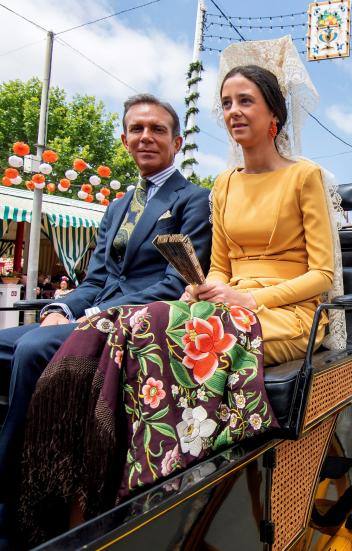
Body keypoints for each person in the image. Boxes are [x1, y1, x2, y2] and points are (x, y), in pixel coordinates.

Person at [18, 57, 342, 542]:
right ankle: (80, 489)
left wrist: (250, 300)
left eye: (245, 101)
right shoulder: (225, 184)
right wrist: (199, 286)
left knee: (171, 338)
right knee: (117, 328)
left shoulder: (305, 177)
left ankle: (149, 483)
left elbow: (323, 274)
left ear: (274, 113)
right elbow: (221, 269)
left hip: (285, 315)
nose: (233, 111)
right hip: (226, 306)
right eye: (227, 103)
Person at [0, 93, 212, 540]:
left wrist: (95, 315)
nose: (146, 137)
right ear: (124, 139)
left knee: (33, 348)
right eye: (137, 129)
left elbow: (176, 284)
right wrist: (61, 307)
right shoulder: (117, 207)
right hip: (95, 312)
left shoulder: (195, 201)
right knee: (10, 340)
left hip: (138, 321)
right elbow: (96, 278)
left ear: (176, 142)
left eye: (157, 130)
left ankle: (13, 487)